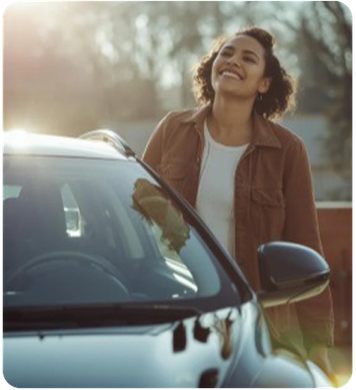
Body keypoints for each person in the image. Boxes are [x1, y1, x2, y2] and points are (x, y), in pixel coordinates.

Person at [142, 27, 334, 378]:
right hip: (175, 313)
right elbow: (135, 211)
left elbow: (306, 246)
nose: (232, 61)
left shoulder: (288, 151)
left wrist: (317, 346)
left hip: (254, 323)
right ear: (212, 67)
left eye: (249, 58)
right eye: (226, 54)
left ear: (264, 83)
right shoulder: (172, 129)